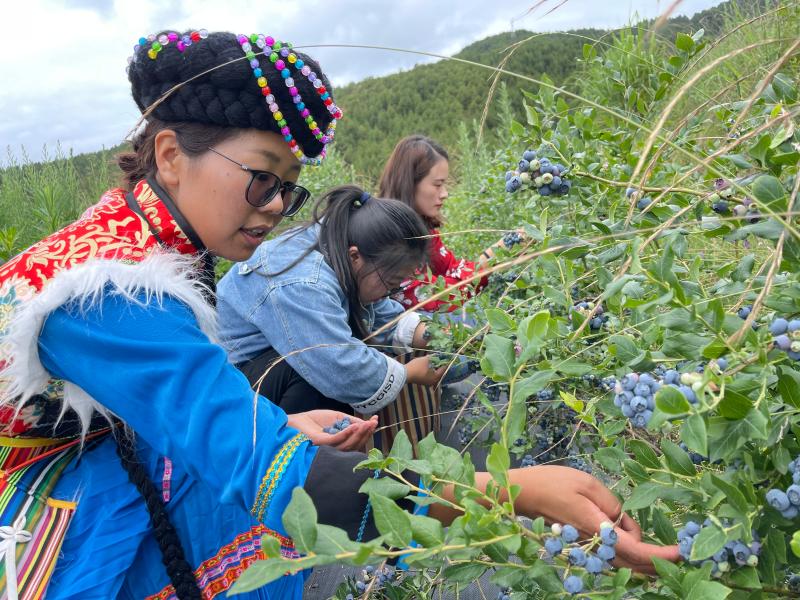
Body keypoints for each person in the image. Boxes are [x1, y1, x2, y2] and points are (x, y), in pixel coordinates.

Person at [0, 28, 676, 600]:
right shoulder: (107, 291)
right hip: (51, 488)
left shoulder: (149, 241)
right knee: (264, 515)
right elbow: (288, 477)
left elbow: (169, 392)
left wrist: (272, 423)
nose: (273, 206)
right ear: (172, 156)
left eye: (288, 189)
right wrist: (518, 493)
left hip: (108, 448)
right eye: (261, 177)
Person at [216, 185, 445, 417]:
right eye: (390, 283)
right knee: (315, 374)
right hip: (226, 394)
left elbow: (379, 314)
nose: (390, 292)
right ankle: (302, 441)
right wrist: (409, 373)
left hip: (256, 373)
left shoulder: (342, 243)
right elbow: (338, 367)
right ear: (355, 256)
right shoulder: (303, 284)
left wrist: (436, 336)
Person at [378, 135, 521, 313]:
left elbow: (450, 268)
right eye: (437, 185)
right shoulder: (388, 241)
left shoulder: (423, 231)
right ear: (410, 184)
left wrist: (495, 255)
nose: (444, 193)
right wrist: (493, 256)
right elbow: (436, 299)